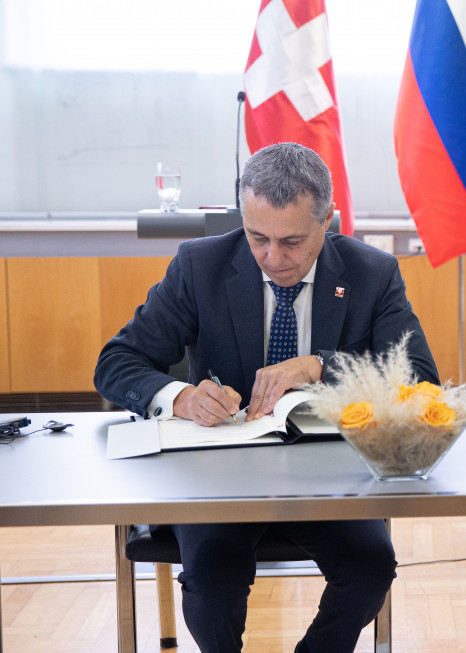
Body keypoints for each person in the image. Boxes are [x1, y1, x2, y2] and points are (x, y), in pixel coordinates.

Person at [95, 142, 439, 653]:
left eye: (292, 242)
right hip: (217, 476)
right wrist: (180, 396)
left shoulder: (373, 274)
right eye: (258, 237)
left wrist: (321, 364)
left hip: (329, 477)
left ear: (328, 221)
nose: (273, 258)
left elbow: (419, 381)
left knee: (371, 566)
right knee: (212, 580)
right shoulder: (200, 265)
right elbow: (115, 364)